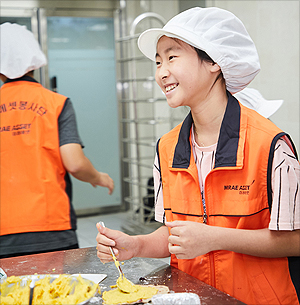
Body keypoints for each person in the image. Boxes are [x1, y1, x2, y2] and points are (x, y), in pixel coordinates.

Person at [96, 7, 300, 304]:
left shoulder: (271, 145)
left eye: (172, 57)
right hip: (192, 297)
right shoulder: (167, 148)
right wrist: (135, 245)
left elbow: (294, 240)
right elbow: (175, 233)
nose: (161, 71)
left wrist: (214, 238)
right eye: (157, 61)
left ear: (214, 61)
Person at [0, 23, 114, 259]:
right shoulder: (57, 104)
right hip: (50, 226)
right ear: (34, 61)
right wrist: (99, 177)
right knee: (54, 293)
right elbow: (75, 163)